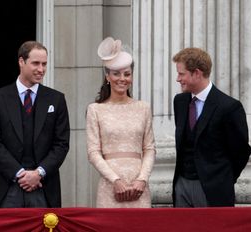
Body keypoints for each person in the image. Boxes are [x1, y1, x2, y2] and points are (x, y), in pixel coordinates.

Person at [0, 41, 70, 208]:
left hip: (43, 186)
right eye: (35, 63)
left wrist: (39, 173)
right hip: (7, 187)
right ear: (21, 62)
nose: (41, 69)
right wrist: (20, 174)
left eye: (44, 64)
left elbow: (61, 144)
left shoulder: (56, 99)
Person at [172, 47, 251, 207]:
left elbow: (241, 152)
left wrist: (221, 179)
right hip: (181, 185)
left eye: (181, 74)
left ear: (197, 73)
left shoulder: (229, 107)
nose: (178, 79)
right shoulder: (179, 102)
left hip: (213, 189)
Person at [86, 37, 156, 208]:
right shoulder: (95, 109)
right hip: (110, 186)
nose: (122, 79)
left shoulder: (143, 108)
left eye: (127, 74)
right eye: (116, 73)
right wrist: (115, 180)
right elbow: (93, 152)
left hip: (139, 187)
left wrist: (142, 179)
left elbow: (149, 148)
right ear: (107, 76)